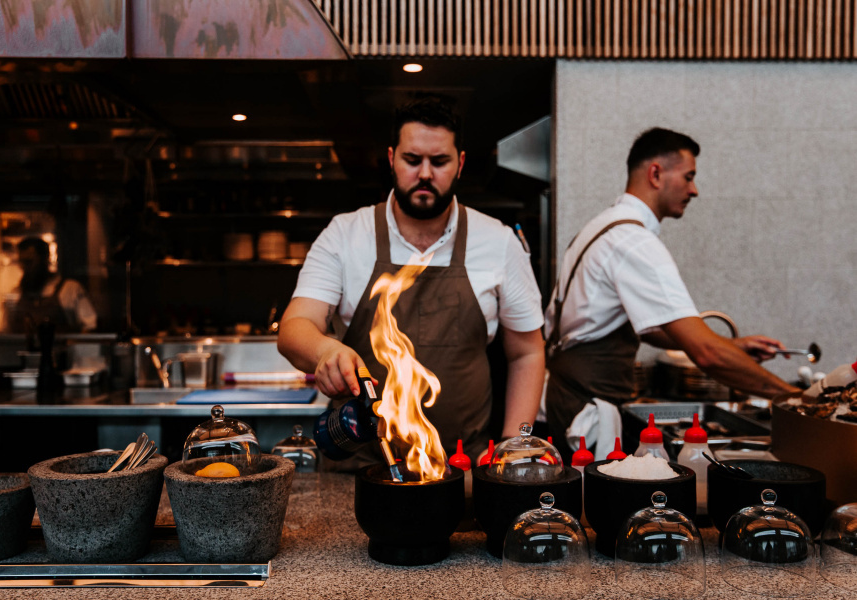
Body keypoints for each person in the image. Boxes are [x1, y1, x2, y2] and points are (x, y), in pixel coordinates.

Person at [277, 96, 545, 467]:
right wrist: (323, 350)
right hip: (361, 471)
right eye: (412, 159)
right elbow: (295, 326)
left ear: (460, 163)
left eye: (439, 161)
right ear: (392, 159)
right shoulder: (345, 234)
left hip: (462, 471)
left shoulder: (498, 243)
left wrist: (513, 446)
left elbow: (527, 352)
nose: (425, 174)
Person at [543, 127, 801, 462]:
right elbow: (706, 354)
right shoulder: (634, 242)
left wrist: (734, 346)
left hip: (566, 398)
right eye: (689, 177)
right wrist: (796, 399)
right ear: (655, 174)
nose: (694, 190)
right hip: (587, 408)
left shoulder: (602, 227)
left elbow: (650, 328)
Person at [5, 236, 97, 334]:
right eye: (22, 262)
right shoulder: (16, 294)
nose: (24, 267)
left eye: (29, 262)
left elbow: (90, 326)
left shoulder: (70, 289)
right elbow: (5, 331)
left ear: (44, 259)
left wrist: (74, 342)